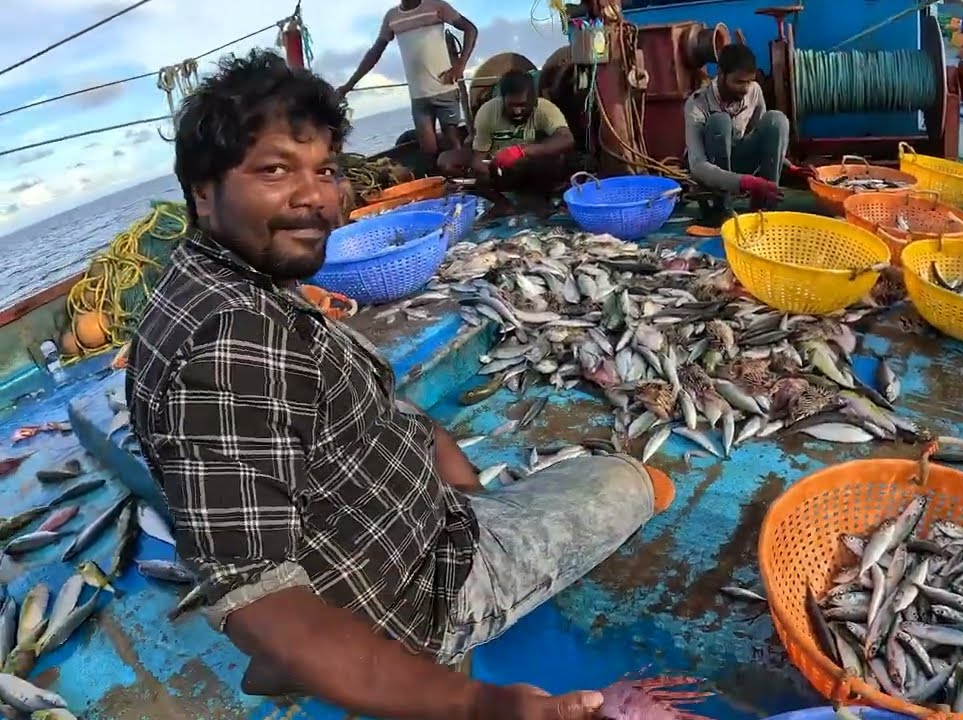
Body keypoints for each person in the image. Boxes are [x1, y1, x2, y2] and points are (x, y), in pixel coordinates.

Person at [126, 50, 675, 720]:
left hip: (390, 525)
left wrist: (449, 471)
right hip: (423, 591)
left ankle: (315, 649)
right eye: (274, 170)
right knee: (632, 481)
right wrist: (476, 706)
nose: (316, 196)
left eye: (325, 169)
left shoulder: (212, 285)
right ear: (203, 192)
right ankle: (359, 654)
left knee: (492, 476)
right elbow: (259, 595)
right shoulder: (229, 344)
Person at [683, 43, 814, 214]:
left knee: (776, 120)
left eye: (749, 82)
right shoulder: (697, 104)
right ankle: (721, 208)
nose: (745, 89)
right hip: (711, 172)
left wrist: (791, 168)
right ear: (721, 74)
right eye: (738, 82)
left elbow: (765, 140)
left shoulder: (754, 91)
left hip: (741, 162)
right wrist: (745, 182)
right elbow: (698, 165)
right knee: (719, 122)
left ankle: (765, 206)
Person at [338, 0, 477, 159]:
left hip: (445, 90)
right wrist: (349, 85)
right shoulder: (392, 17)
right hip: (418, 97)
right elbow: (375, 53)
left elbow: (470, 29)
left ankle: (462, 171)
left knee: (454, 142)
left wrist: (460, 65)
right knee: (428, 150)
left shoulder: (437, 6)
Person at [437, 70, 576, 222]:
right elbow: (479, 156)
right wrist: (487, 168)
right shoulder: (487, 111)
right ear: (502, 99)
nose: (517, 111)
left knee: (556, 157)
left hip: (530, 165)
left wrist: (522, 151)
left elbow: (566, 139)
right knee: (446, 160)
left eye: (522, 105)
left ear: (534, 101)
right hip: (498, 167)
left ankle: (536, 198)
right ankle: (501, 203)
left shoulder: (545, 108)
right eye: (512, 105)